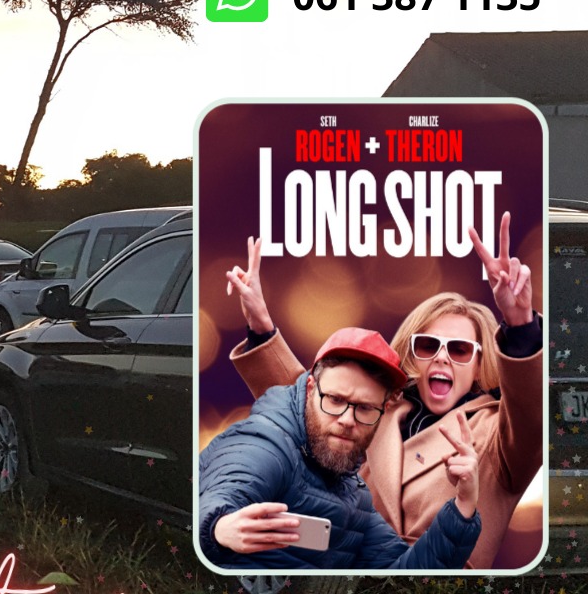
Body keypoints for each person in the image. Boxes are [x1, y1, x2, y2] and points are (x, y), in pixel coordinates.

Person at [223, 214, 542, 569]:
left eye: (459, 349)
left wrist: (520, 324)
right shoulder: (379, 409)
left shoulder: (501, 434)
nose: (441, 357)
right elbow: (313, 401)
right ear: (411, 352)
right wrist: (262, 327)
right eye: (427, 345)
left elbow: (532, 416)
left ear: (480, 362)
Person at [199, 327, 482, 570]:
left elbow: (405, 571)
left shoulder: (353, 495)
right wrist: (217, 528)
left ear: (383, 411)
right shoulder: (267, 445)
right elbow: (224, 488)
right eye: (335, 400)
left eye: (364, 408)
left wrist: (464, 506)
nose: (348, 420)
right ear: (311, 388)